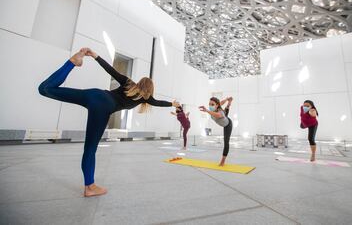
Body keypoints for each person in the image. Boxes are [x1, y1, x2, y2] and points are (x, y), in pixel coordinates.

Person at [38, 48, 180, 197]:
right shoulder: (146, 98)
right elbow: (158, 103)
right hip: (102, 107)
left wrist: (95, 55)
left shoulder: (128, 83)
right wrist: (173, 104)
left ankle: (71, 64)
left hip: (95, 93)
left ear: (140, 83)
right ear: (150, 89)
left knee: (45, 89)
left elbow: (110, 70)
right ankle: (90, 186)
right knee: (90, 149)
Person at [199, 97, 233, 166]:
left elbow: (218, 115)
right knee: (225, 112)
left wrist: (207, 110)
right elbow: (221, 103)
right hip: (224, 118)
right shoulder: (216, 108)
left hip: (228, 124)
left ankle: (223, 161)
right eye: (209, 104)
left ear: (216, 105)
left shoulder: (219, 111)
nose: (210, 106)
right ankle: (229, 101)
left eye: (212, 104)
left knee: (226, 142)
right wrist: (226, 99)